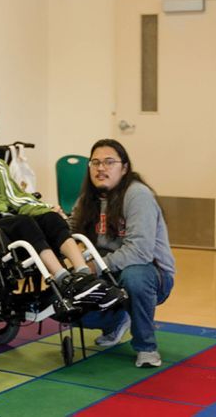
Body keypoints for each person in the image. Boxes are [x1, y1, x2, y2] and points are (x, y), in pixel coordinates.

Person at [0, 96, 124, 312]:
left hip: (4, 227)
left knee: (50, 218)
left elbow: (17, 200)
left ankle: (83, 276)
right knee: (23, 223)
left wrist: (45, 208)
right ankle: (64, 281)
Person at [70, 139, 176, 368]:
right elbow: (72, 232)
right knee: (69, 300)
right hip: (110, 272)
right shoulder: (88, 198)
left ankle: (146, 347)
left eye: (109, 162)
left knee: (134, 277)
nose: (101, 168)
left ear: (125, 167)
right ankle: (117, 320)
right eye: (95, 162)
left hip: (152, 274)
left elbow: (140, 252)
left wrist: (93, 266)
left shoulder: (137, 195)